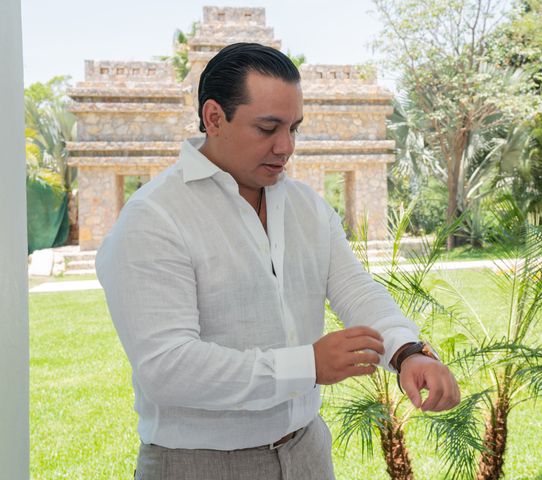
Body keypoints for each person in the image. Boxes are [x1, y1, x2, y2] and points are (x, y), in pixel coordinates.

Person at [96, 42, 460, 480]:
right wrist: (307, 366)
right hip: (198, 464)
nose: (285, 146)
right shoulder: (154, 217)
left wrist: (407, 353)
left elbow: (355, 289)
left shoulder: (305, 205)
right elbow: (167, 367)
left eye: (293, 128)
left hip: (306, 451)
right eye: (267, 128)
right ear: (214, 118)